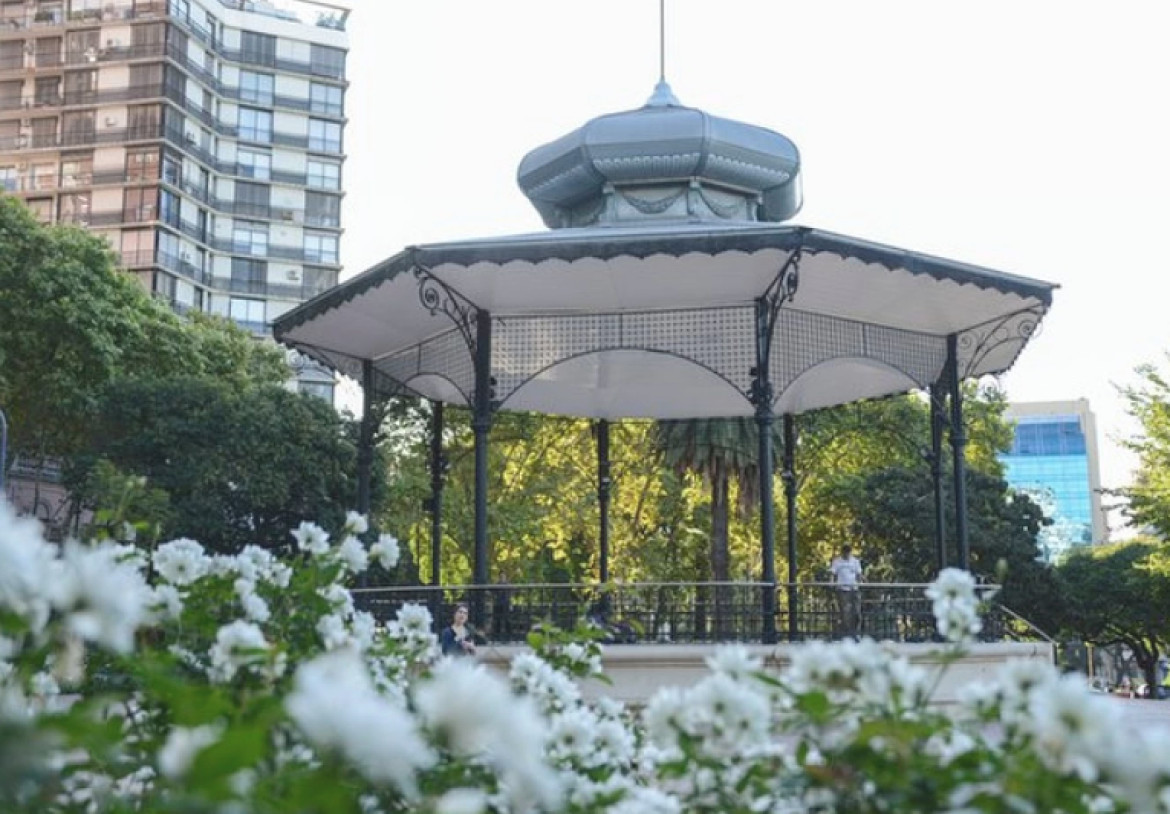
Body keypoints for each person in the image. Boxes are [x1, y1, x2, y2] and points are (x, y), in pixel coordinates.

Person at [830, 543, 864, 638]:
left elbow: (859, 574)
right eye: (845, 553)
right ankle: (846, 634)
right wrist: (831, 583)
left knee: (857, 612)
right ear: (842, 552)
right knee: (845, 613)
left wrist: (862, 582)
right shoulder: (837, 561)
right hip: (842, 590)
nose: (846, 555)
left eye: (848, 553)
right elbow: (832, 574)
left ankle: (855, 633)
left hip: (854, 589)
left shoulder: (855, 561)